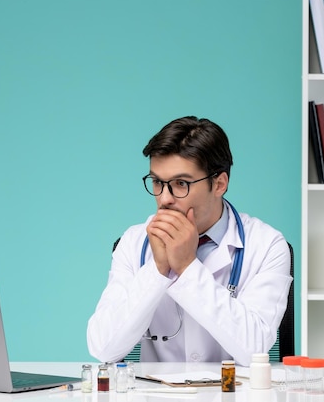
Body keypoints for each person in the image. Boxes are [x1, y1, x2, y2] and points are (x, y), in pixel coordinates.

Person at [86, 116, 292, 366]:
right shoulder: (133, 243)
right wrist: (158, 270)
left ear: (219, 184)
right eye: (157, 182)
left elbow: (255, 351)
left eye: (180, 184)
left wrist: (186, 267)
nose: (164, 199)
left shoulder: (267, 245)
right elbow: (103, 348)